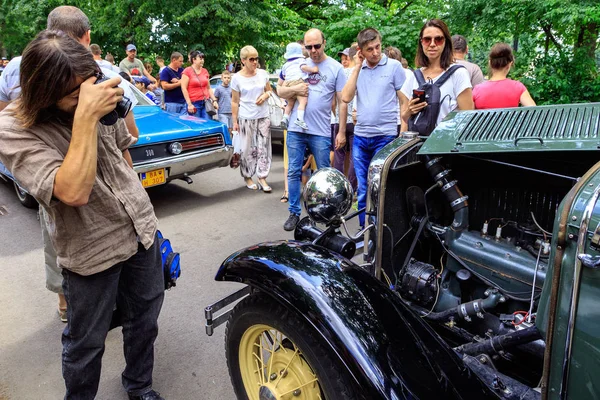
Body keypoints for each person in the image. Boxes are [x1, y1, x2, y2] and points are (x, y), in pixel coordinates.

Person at [0, 30, 164, 400]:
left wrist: (143, 211)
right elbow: (73, 191)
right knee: (86, 344)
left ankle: (139, 386)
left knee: (145, 321)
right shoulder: (13, 129)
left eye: (87, 87)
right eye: (74, 95)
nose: (84, 98)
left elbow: (125, 149)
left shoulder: (91, 93)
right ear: (44, 93)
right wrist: (85, 118)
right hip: (90, 251)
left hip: (140, 231)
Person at [0, 5, 140, 325]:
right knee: (68, 244)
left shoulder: (19, 68)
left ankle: (67, 304)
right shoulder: (97, 68)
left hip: (60, 179)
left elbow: (125, 134)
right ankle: (73, 306)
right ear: (87, 36)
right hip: (59, 183)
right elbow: (130, 134)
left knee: (57, 239)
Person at [277, 28, 348, 231]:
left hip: (321, 130)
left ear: (324, 42)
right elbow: (279, 89)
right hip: (295, 129)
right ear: (304, 47)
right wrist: (294, 90)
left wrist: (341, 131)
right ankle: (294, 212)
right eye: (309, 47)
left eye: (317, 45)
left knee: (324, 172)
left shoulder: (335, 68)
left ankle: (329, 214)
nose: (314, 50)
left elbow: (342, 101)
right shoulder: (298, 63)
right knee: (293, 171)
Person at [342, 28, 406, 228]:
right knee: (362, 189)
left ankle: (380, 232)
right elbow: (345, 97)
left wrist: (403, 131)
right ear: (361, 50)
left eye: (377, 46)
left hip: (384, 136)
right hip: (361, 137)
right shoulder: (356, 70)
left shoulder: (394, 67)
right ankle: (364, 230)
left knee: (380, 188)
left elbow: (404, 100)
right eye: (369, 49)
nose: (376, 52)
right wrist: (357, 67)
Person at [400, 19, 474, 132]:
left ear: (446, 42)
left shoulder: (458, 74)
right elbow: (405, 119)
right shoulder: (413, 77)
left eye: (438, 39)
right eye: (427, 39)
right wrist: (410, 110)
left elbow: (467, 118)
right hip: (418, 145)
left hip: (446, 144)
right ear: (421, 42)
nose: (432, 44)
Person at [231, 45, 273, 192]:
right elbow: (235, 101)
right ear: (243, 60)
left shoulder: (262, 74)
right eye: (251, 59)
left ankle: (262, 177)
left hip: (263, 116)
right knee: (247, 149)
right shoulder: (236, 78)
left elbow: (269, 90)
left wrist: (264, 95)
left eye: (256, 58)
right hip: (246, 117)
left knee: (264, 148)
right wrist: (234, 122)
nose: (255, 62)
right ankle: (248, 176)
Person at [473, 43, 536, 109]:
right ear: (510, 64)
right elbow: (534, 111)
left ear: (490, 63)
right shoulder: (518, 87)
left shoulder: (477, 90)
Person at [331, 46, 357, 194]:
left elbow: (334, 102)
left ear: (349, 58)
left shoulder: (340, 73)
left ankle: (338, 189)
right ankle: (352, 189)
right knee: (354, 157)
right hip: (354, 122)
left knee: (339, 156)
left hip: (339, 120)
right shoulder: (358, 73)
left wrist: (336, 116)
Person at [280, 42, 319, 130]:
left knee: (290, 103)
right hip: (298, 81)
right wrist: (313, 70)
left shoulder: (286, 65)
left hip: (289, 84)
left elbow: (284, 75)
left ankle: (285, 117)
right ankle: (300, 119)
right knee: (303, 101)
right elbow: (303, 68)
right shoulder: (300, 60)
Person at [181, 50, 218, 119]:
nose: (202, 60)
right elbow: (183, 88)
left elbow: (208, 88)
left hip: (206, 102)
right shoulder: (187, 71)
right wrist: (189, 104)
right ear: (194, 60)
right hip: (194, 103)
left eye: (203, 58)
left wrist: (214, 100)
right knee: (196, 125)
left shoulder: (205, 71)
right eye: (200, 58)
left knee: (207, 124)